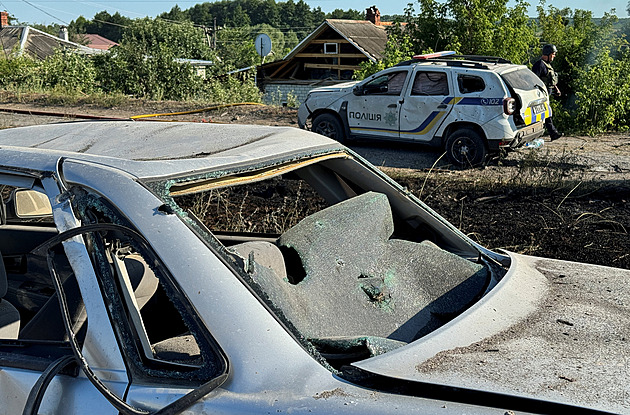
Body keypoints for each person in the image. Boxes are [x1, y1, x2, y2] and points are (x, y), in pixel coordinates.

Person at [532, 44, 563, 141]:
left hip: (546, 94)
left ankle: (552, 133)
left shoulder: (547, 65)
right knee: (545, 113)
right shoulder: (539, 65)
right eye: (553, 54)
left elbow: (550, 79)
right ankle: (552, 133)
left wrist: (556, 89)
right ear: (548, 54)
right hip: (540, 95)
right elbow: (534, 81)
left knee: (546, 113)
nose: (554, 56)